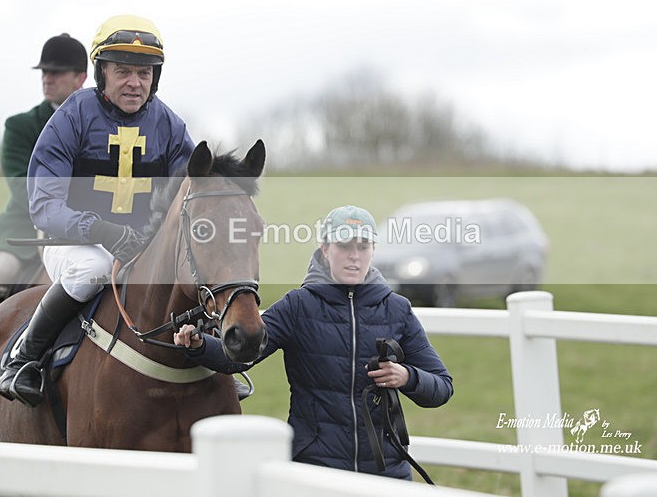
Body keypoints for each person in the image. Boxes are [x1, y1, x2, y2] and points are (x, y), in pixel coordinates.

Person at [0, 15, 196, 407]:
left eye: (143, 73)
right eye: (123, 72)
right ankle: (24, 359)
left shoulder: (169, 124)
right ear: (102, 72)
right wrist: (101, 230)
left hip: (138, 245)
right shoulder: (72, 116)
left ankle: (209, 362)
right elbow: (43, 204)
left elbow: (188, 194)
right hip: (69, 239)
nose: (134, 83)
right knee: (93, 270)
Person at [174, 205, 454, 480]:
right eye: (344, 246)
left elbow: (442, 388)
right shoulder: (298, 306)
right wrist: (199, 346)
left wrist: (407, 376)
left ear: (373, 251)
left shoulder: (397, 309)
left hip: (386, 472)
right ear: (325, 249)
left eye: (363, 246)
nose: (354, 256)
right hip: (314, 471)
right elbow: (237, 357)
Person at [0, 33, 88, 327]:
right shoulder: (20, 126)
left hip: (87, 223)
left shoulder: (99, 125)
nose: (47, 78)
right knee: (1, 273)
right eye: (44, 72)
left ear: (80, 78)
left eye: (56, 72)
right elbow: (23, 186)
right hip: (25, 224)